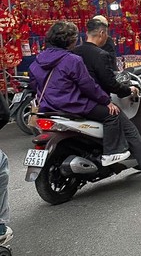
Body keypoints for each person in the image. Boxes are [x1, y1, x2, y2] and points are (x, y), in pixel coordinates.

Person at [30, 21, 130, 170]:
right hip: (73, 105)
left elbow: (33, 84)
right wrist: (106, 101)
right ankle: (112, 152)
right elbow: (88, 86)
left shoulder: (38, 60)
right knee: (112, 114)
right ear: (70, 41)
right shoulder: (73, 60)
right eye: (75, 37)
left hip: (48, 106)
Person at [73, 18, 141, 182]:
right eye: (106, 34)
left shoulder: (74, 53)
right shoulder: (100, 54)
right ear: (102, 33)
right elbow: (110, 83)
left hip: (75, 101)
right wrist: (128, 90)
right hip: (96, 101)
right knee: (130, 129)